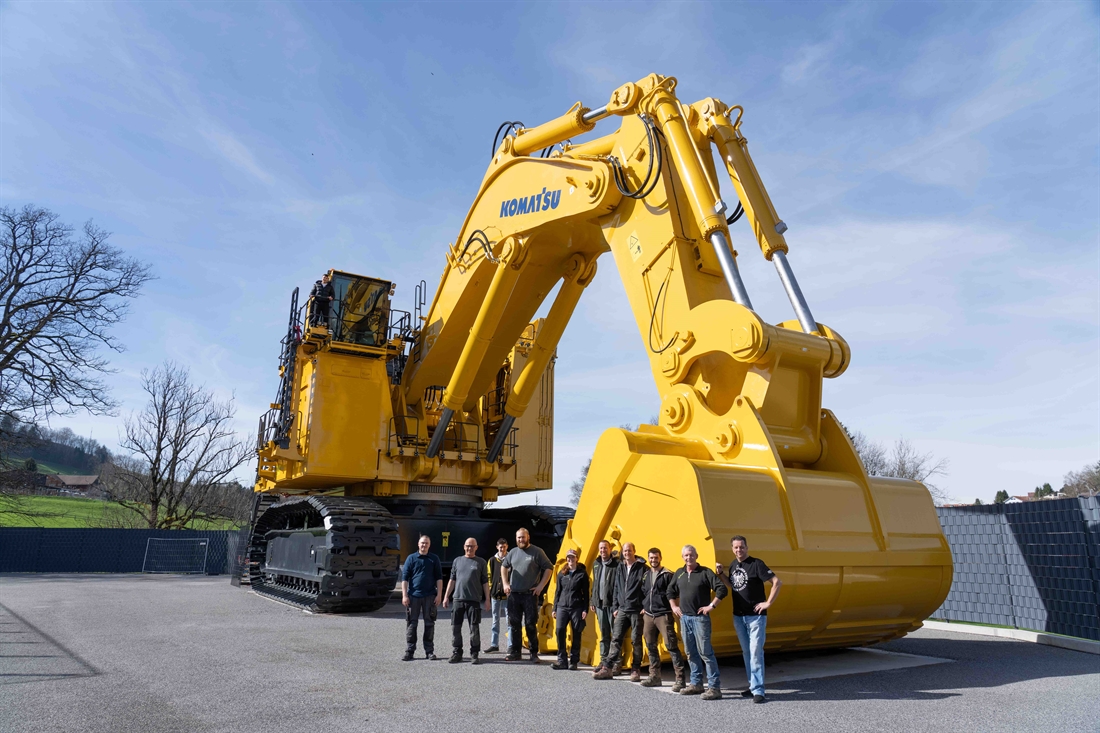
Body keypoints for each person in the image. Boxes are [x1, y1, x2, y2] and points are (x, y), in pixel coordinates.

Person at [716, 535, 782, 704]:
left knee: (755, 652)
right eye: (736, 547)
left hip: (755, 617)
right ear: (732, 548)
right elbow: (733, 585)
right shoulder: (733, 565)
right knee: (747, 653)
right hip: (738, 616)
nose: (739, 550)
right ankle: (753, 686)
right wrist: (722, 574)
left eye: (742, 547)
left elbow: (776, 582)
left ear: (747, 547)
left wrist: (768, 603)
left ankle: (759, 690)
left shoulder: (756, 564)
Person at [668, 544, 728, 700]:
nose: (689, 558)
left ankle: (714, 688)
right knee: (690, 653)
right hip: (685, 618)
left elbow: (722, 589)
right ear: (683, 557)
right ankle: (696, 684)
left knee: (706, 653)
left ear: (696, 555)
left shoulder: (705, 572)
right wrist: (674, 606)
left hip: (700, 619)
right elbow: (670, 591)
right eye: (686, 555)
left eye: (691, 555)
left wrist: (711, 606)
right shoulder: (679, 573)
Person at [592, 542, 646, 681]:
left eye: (629, 551)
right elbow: (616, 587)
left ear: (634, 551)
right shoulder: (620, 566)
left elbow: (647, 588)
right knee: (615, 638)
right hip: (622, 609)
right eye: (625, 551)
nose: (627, 553)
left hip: (636, 609)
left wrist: (645, 606)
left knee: (636, 640)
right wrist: (615, 607)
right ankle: (607, 668)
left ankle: (635, 669)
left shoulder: (642, 568)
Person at [501, 527, 553, 663]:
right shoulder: (512, 552)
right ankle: (516, 652)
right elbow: (504, 567)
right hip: (514, 595)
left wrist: (541, 586)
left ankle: (533, 653)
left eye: (523, 537)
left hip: (530, 595)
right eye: (518, 537)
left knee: (530, 624)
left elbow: (549, 567)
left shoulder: (537, 552)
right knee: (514, 624)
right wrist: (505, 584)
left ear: (528, 537)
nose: (521, 540)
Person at [639, 547, 687, 691]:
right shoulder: (646, 575)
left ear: (660, 558)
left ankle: (680, 679)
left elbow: (674, 593)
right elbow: (644, 592)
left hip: (663, 615)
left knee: (671, 646)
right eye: (651, 558)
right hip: (648, 615)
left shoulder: (668, 575)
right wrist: (644, 606)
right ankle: (655, 677)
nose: (653, 560)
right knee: (650, 645)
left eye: (656, 557)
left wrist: (675, 608)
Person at [443, 537, 490, 665]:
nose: (469, 548)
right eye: (467, 546)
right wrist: (446, 596)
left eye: (472, 546)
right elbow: (452, 580)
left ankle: (474, 654)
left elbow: (485, 582)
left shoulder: (480, 562)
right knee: (455, 628)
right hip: (458, 599)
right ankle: (457, 653)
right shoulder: (457, 561)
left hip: (474, 601)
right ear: (464, 546)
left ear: (476, 547)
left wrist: (487, 599)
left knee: (474, 629)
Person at [401, 534, 443, 661]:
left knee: (429, 624)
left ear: (429, 545)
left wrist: (439, 595)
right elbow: (404, 578)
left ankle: (429, 651)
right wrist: (404, 595)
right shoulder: (411, 558)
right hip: (413, 596)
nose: (424, 545)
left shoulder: (434, 559)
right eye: (422, 543)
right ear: (418, 544)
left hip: (430, 596)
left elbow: (439, 578)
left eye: (426, 543)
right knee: (411, 624)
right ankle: (410, 651)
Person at [552, 548, 589, 670]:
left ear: (576, 558)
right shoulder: (562, 574)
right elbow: (558, 591)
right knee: (560, 630)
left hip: (576, 607)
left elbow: (586, 594)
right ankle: (562, 660)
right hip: (562, 606)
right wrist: (554, 608)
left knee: (576, 632)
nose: (570, 559)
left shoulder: (582, 574)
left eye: (573, 557)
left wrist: (585, 609)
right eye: (568, 557)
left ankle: (574, 660)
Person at [589, 539, 619, 664]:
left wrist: (617, 605)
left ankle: (616, 661)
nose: (603, 551)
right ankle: (604, 660)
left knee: (615, 634)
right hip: (599, 604)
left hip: (611, 604)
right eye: (601, 548)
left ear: (610, 549)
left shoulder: (616, 564)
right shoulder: (596, 564)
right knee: (604, 634)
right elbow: (595, 583)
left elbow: (619, 585)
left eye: (605, 548)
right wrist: (592, 601)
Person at [485, 537, 510, 653]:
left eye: (504, 546)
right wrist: (491, 589)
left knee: (509, 621)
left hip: (508, 596)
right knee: (495, 621)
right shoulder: (492, 560)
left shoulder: (510, 559)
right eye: (500, 547)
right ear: (497, 547)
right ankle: (494, 644)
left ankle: (510, 645)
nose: (502, 548)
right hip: (495, 595)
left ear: (507, 547)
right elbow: (489, 576)